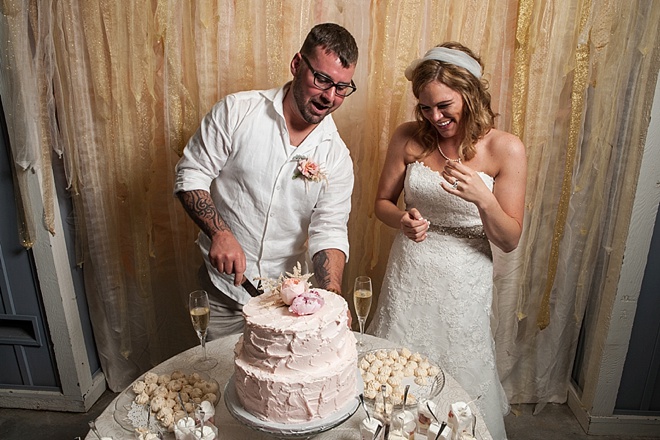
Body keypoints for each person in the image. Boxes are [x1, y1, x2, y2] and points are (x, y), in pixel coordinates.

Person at [367, 42, 526, 439]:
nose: (434, 117)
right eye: (424, 107)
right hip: (411, 267)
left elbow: (509, 240)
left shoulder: (505, 149)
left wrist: (483, 198)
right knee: (396, 365)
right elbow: (381, 203)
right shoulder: (408, 137)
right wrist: (403, 218)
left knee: (459, 368)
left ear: (469, 94)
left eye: (444, 106)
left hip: (464, 275)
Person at [174, 23, 358, 339]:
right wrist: (220, 234)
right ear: (297, 64)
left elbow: (329, 229)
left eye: (341, 87)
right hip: (222, 293)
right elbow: (191, 174)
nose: (330, 96)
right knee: (218, 378)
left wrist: (331, 295)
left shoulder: (337, 156)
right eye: (322, 80)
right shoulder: (236, 111)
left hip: (290, 303)